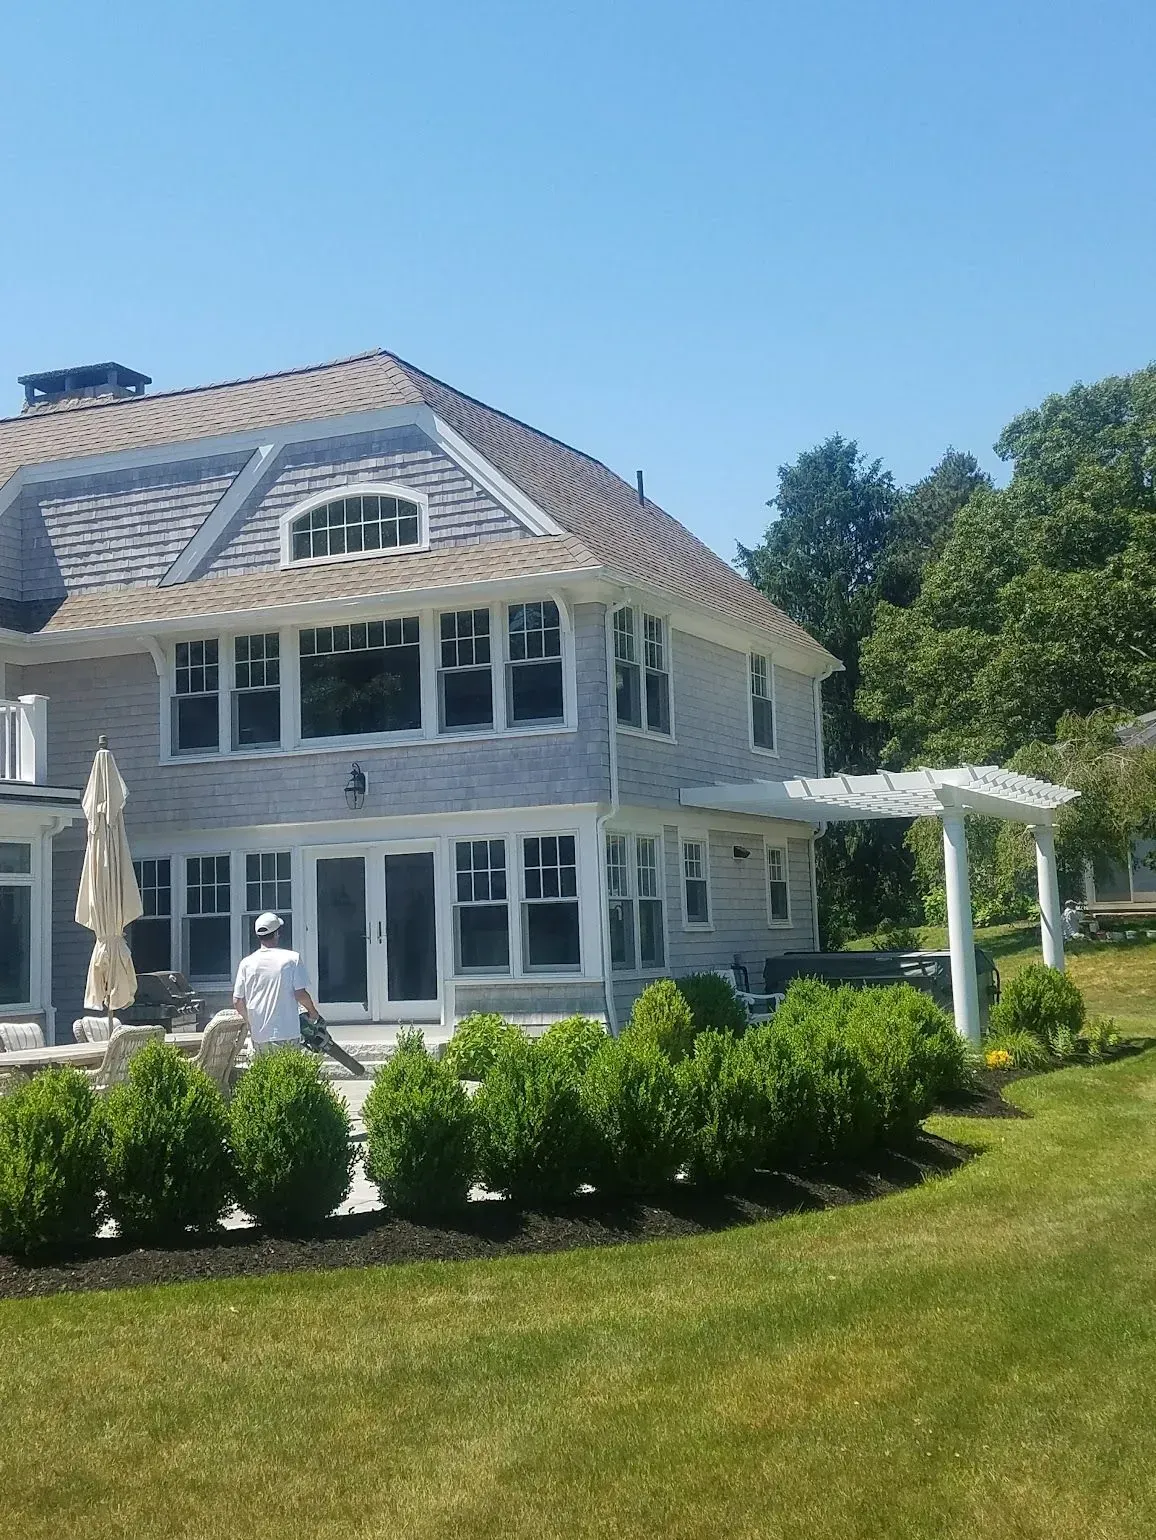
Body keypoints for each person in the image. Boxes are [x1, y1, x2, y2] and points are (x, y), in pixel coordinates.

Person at [232, 912, 321, 1053]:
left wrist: (249, 1022)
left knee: (262, 1073)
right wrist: (313, 1012)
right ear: (276, 934)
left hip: (259, 1036)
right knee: (287, 1072)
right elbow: (300, 994)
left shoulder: (246, 963)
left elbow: (237, 1000)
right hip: (287, 1032)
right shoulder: (291, 959)